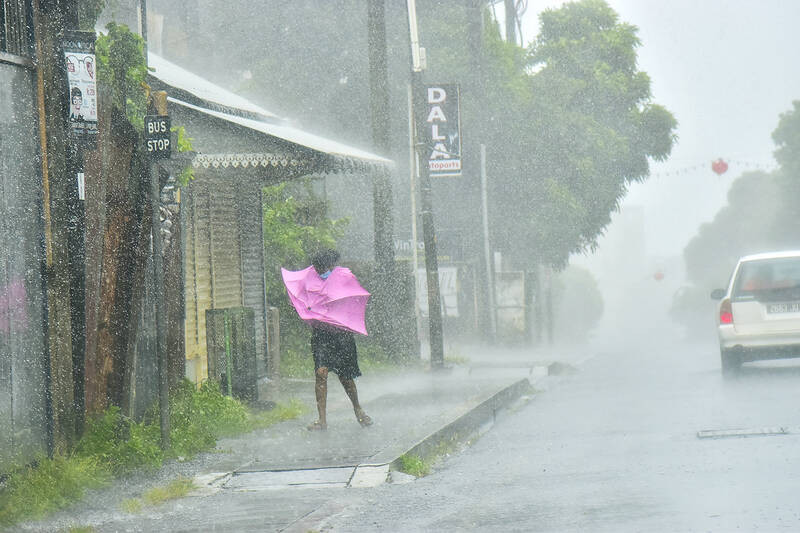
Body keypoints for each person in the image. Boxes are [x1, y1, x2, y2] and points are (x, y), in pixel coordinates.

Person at [306, 249, 372, 431]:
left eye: (323, 267)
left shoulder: (344, 279)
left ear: (331, 266)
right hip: (320, 335)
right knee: (320, 374)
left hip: (341, 335)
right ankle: (322, 420)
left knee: (346, 377)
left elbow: (351, 303)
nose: (320, 271)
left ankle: (358, 409)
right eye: (317, 268)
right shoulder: (311, 283)